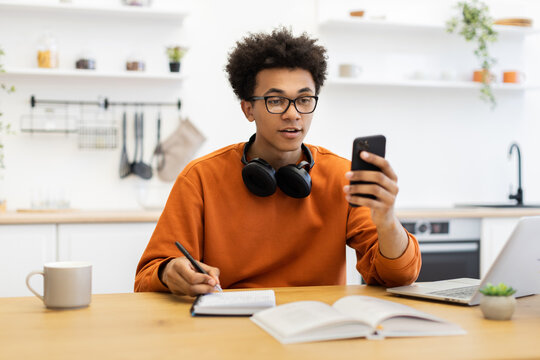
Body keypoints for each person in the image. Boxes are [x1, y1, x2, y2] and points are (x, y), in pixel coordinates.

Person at [135, 27, 421, 296]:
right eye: (276, 101)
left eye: (304, 99)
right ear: (248, 109)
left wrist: (387, 222)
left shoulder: (342, 176)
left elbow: (400, 276)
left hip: (314, 329)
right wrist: (169, 271)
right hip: (230, 329)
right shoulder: (200, 177)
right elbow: (147, 276)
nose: (293, 114)